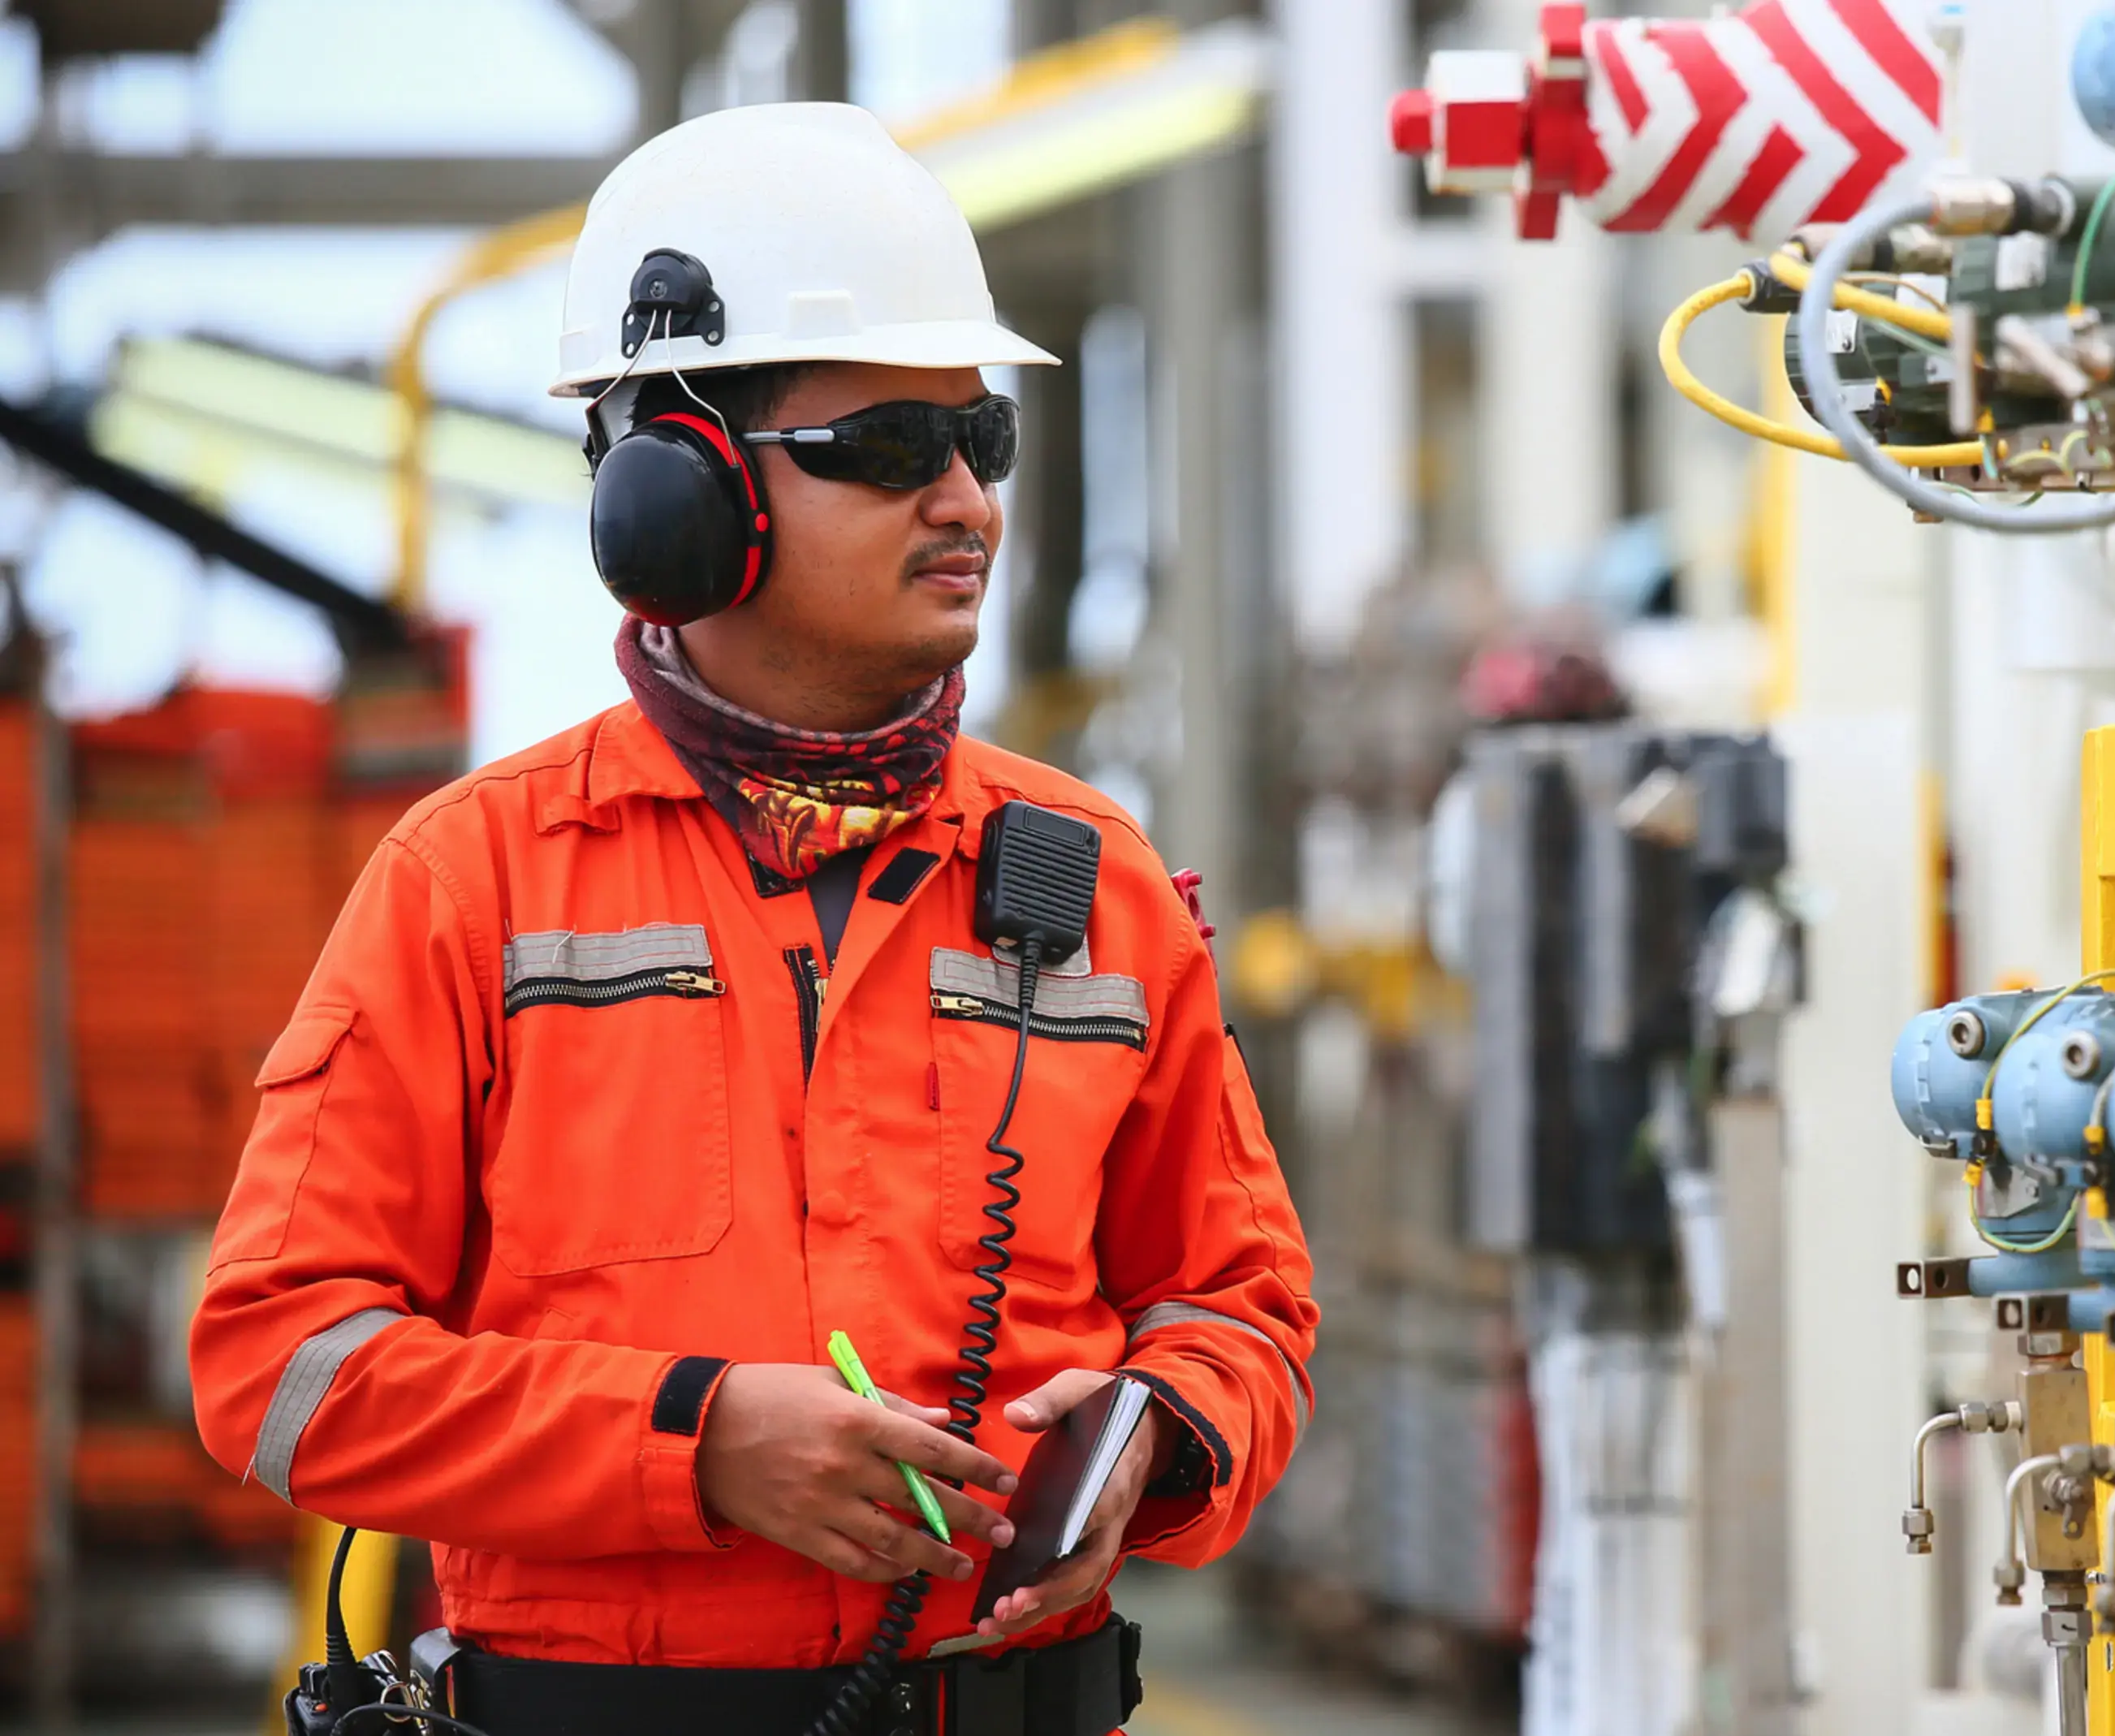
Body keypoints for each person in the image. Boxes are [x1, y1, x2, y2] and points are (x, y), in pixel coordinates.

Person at [188, 103, 1315, 1736]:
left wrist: (1161, 1424)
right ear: (681, 500)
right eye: (885, 449)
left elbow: (1243, 1303)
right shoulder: (473, 883)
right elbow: (276, 1367)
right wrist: (693, 1442)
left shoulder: (1096, 881)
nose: (965, 502)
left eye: (978, 440)